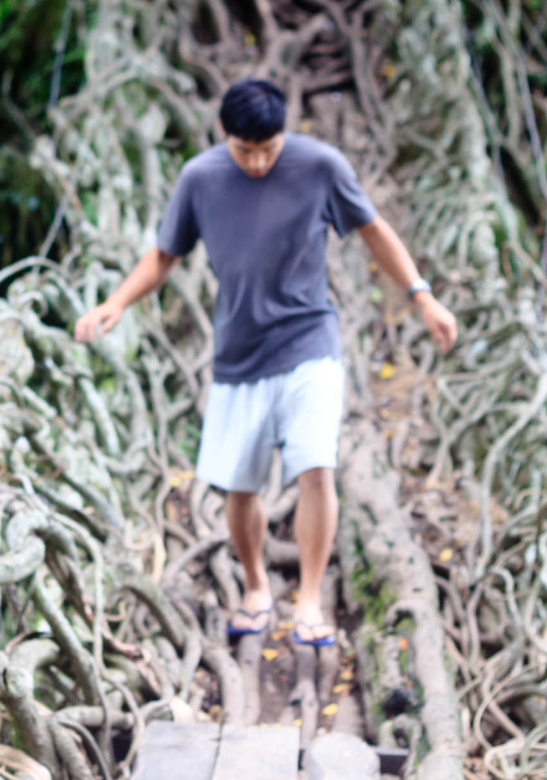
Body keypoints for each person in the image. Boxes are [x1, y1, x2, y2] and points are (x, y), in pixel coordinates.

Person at [75, 80, 457, 646]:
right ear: (223, 136)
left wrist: (421, 295)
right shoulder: (200, 178)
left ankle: (308, 599)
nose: (256, 162)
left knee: (315, 466)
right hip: (238, 353)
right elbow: (163, 256)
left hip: (310, 341)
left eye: (268, 150)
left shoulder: (321, 166)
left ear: (285, 135)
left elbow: (374, 231)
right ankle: (256, 586)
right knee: (239, 485)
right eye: (243, 150)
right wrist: (114, 303)